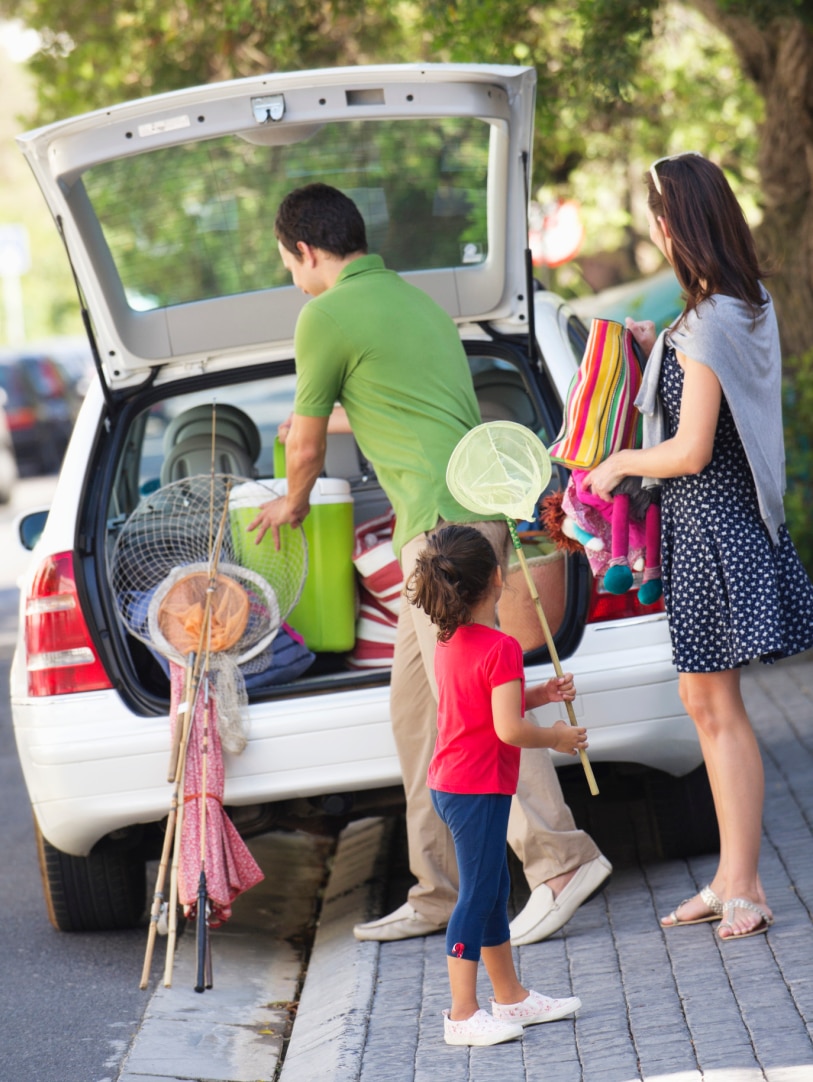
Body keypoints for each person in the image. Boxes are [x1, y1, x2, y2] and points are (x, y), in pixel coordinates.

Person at [249, 181, 611, 947]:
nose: (293, 278)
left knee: (478, 706)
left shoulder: (323, 314)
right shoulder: (414, 304)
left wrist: (292, 503)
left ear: (306, 251)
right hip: (472, 518)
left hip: (440, 533)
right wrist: (330, 414)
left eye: (289, 263)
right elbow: (405, 398)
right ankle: (437, 890)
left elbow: (307, 449)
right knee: (418, 717)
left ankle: (559, 860)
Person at [583, 152, 813, 941]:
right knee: (704, 705)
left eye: (656, 211)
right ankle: (727, 876)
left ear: (674, 220)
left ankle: (743, 884)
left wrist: (615, 462)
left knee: (716, 710)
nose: (652, 224)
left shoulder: (712, 316)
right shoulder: (738, 305)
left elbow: (687, 449)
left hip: (711, 526)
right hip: (713, 527)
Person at [407, 523, 584, 1046]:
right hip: (476, 788)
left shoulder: (450, 639)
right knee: (479, 895)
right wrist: (556, 736)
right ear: (497, 582)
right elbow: (507, 729)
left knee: (494, 889)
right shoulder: (502, 646)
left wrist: (540, 693)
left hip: (453, 784)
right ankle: (462, 1014)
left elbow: (488, 705)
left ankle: (510, 999)